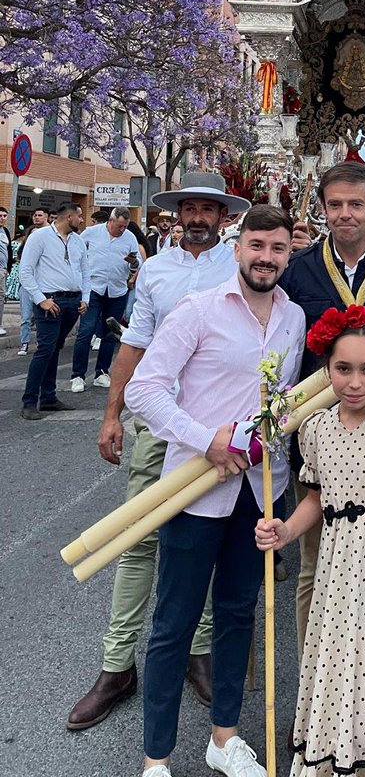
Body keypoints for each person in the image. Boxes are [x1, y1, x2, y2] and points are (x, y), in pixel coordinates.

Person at [67, 172, 250, 733]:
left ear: (223, 218)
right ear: (176, 215)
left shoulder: (239, 266)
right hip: (159, 427)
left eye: (207, 209)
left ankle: (197, 652)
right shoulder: (154, 269)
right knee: (137, 540)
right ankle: (116, 665)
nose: (197, 218)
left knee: (199, 544)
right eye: (188, 208)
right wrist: (110, 413)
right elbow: (135, 344)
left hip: (215, 436)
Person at [125, 205, 303, 777]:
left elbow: (288, 402)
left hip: (258, 491)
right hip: (195, 490)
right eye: (257, 246)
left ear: (287, 254)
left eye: (277, 249)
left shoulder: (294, 319)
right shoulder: (197, 311)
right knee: (174, 621)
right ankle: (157, 758)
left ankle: (224, 738)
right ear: (237, 246)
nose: (266, 258)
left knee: (236, 613)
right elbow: (144, 390)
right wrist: (206, 441)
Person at [256, 309, 365, 777]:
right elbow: (315, 500)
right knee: (337, 660)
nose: (354, 381)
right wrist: (287, 530)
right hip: (335, 563)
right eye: (343, 369)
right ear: (327, 370)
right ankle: (336, 756)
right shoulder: (315, 428)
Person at [278, 160, 365, 661]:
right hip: (319, 435)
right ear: (322, 209)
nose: (345, 215)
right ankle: (314, 691)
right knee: (315, 563)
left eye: (356, 204)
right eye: (335, 205)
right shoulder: (298, 270)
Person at [18, 202, 89, 420]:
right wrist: (40, 300)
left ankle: (48, 397)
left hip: (73, 302)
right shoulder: (40, 237)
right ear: (69, 217)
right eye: (79, 216)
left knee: (55, 348)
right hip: (50, 301)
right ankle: (30, 401)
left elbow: (86, 271)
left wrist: (85, 298)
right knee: (45, 349)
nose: (81, 220)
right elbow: (26, 271)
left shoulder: (78, 241)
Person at [70, 206, 141, 393]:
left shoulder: (130, 238)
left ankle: (101, 372)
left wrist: (133, 262)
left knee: (110, 333)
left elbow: (138, 263)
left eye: (125, 226)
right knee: (86, 331)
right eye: (119, 226)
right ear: (110, 221)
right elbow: (75, 253)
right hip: (93, 288)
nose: (122, 230)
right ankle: (77, 375)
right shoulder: (91, 233)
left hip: (117, 290)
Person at [13, 208, 49, 355]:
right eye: (34, 215)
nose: (36, 217)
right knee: (25, 317)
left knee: (41, 318)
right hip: (27, 286)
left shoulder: (50, 238)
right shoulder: (25, 248)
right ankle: (24, 343)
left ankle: (41, 343)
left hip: (42, 286)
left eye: (39, 215)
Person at [0, 204, 10, 336]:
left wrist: (8, 267)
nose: (2, 218)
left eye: (4, 216)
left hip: (3, 269)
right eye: (0, 216)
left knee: (1, 297)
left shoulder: (5, 231)